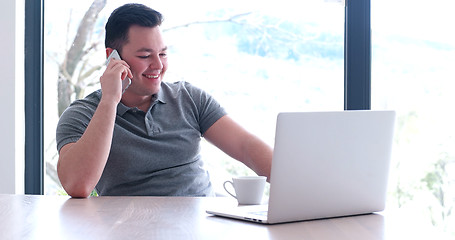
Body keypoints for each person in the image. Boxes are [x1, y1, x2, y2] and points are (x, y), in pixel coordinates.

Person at [56, 3, 272, 198]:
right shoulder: (83, 115)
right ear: (114, 57)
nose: (158, 65)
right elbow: (78, 185)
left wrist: (295, 182)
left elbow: (246, 147)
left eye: (163, 54)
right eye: (145, 56)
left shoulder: (189, 98)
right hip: (130, 229)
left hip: (201, 226)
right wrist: (110, 101)